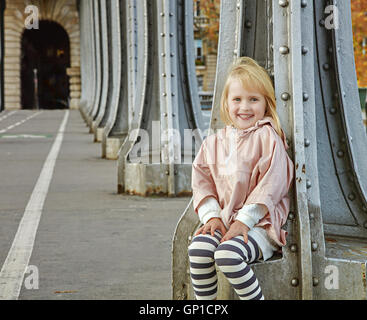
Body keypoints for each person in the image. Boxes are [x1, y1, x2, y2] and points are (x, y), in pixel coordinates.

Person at [188, 56, 294, 300]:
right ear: (226, 103)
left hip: (259, 225)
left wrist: (244, 221)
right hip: (223, 220)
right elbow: (202, 181)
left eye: (253, 100)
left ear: (266, 105)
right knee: (198, 250)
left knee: (228, 255)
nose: (244, 107)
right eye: (237, 99)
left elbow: (271, 185)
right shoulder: (214, 143)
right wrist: (212, 216)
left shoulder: (268, 138)